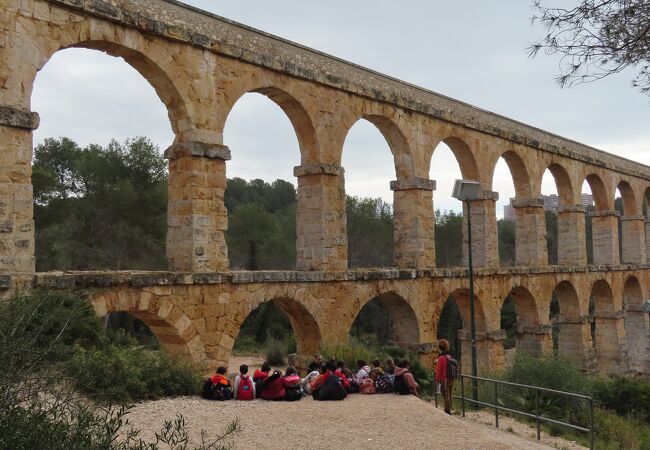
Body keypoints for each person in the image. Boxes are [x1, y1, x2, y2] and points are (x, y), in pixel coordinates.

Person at [435, 339, 455, 414]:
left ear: (439, 348)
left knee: (445, 394)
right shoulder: (449, 356)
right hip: (451, 378)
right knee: (450, 393)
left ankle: (447, 410)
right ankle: (449, 408)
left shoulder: (441, 358)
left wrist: (437, 380)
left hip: (444, 379)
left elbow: (439, 370)